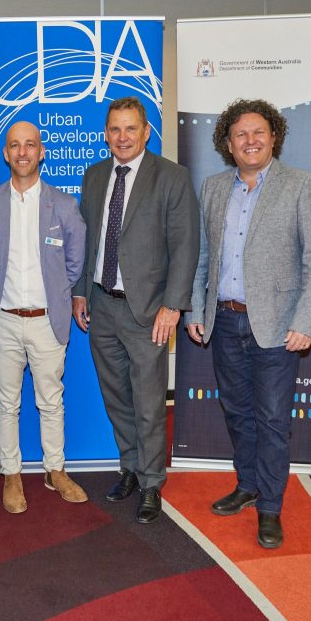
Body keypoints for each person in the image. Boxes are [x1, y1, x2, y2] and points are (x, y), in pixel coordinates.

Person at [185, 99, 311, 549]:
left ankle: (270, 505)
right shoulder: (213, 188)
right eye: (240, 134)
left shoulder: (302, 184)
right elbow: (203, 256)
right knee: (237, 412)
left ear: (274, 137)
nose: (250, 141)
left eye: (258, 132)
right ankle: (247, 484)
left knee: (271, 419)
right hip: (225, 321)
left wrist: (306, 320)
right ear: (228, 144)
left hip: (278, 326)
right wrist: (196, 309)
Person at [71, 97, 200, 524]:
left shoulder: (172, 177)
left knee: (148, 402)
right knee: (117, 398)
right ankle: (130, 465)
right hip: (102, 306)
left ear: (146, 132)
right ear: (106, 134)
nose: (122, 137)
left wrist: (173, 305)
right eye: (115, 129)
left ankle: (151, 482)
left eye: (131, 128)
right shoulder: (94, 176)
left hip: (148, 312)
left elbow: (185, 246)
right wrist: (80, 293)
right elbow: (88, 243)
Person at [0, 121, 88, 513]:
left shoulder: (64, 205)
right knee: (5, 403)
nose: (22, 152)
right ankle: (11, 474)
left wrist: (55, 292)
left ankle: (55, 470)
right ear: (5, 154)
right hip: (2, 322)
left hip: (47, 320)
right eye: (14, 145)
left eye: (30, 145)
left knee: (51, 401)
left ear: (42, 152)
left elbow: (74, 263)